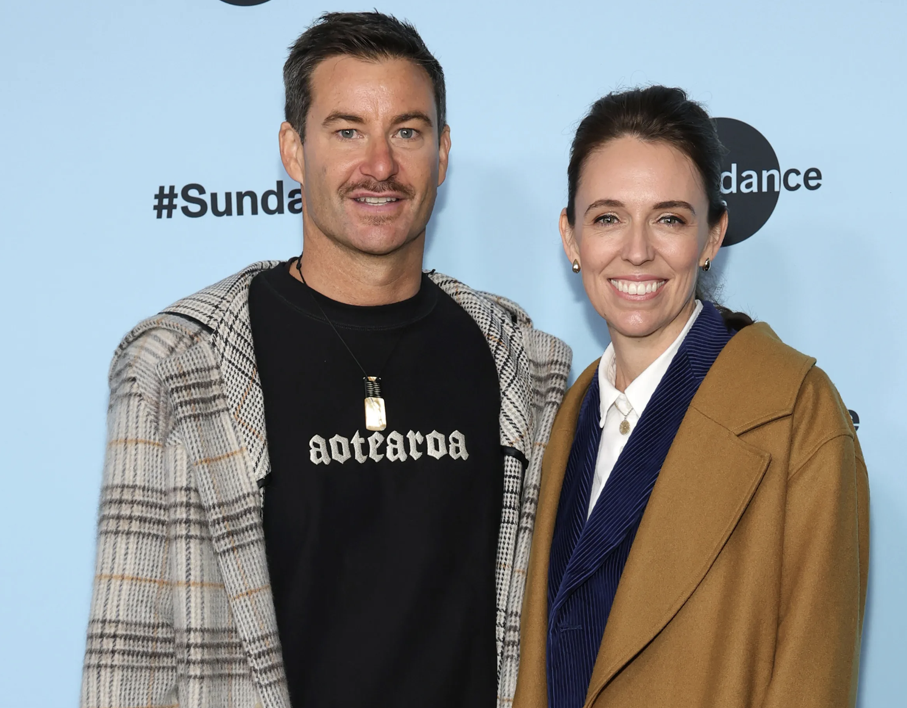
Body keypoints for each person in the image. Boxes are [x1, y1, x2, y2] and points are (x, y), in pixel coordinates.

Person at [80, 12, 570, 708]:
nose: (380, 165)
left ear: (442, 152)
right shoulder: (178, 365)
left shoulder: (523, 363)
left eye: (407, 132)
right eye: (347, 131)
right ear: (293, 149)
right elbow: (127, 656)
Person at [514, 86, 869, 708]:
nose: (637, 250)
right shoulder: (563, 414)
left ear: (712, 237)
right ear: (571, 238)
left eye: (670, 219)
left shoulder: (796, 415)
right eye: (607, 218)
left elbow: (813, 679)